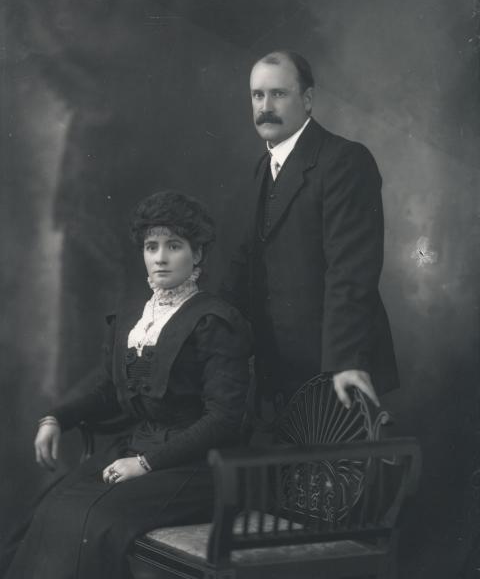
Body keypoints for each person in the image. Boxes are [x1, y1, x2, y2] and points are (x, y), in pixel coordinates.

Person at [2, 190, 251, 579]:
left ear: (197, 254)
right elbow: (107, 386)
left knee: (96, 521)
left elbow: (223, 419)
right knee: (53, 505)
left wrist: (146, 463)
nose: (161, 257)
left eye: (174, 245)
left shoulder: (214, 321)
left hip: (197, 467)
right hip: (137, 450)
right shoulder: (138, 317)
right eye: (152, 246)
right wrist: (55, 417)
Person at [221, 50, 398, 413]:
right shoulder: (262, 168)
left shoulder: (344, 160)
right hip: (278, 372)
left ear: (307, 99)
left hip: (335, 370)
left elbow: (351, 272)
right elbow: (245, 265)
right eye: (257, 95)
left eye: (278, 94)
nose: (265, 106)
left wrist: (344, 363)